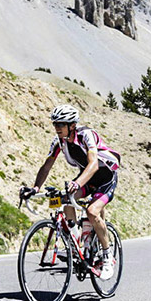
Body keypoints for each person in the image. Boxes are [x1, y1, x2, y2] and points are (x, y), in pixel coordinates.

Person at [21, 104, 120, 280]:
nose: (57, 127)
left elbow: (94, 164)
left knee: (92, 211)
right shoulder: (59, 142)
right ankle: (76, 246)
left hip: (106, 176)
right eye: (55, 124)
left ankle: (107, 256)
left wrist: (77, 182)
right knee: (65, 199)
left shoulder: (86, 135)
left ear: (72, 125)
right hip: (88, 178)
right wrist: (35, 188)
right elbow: (47, 166)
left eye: (61, 124)